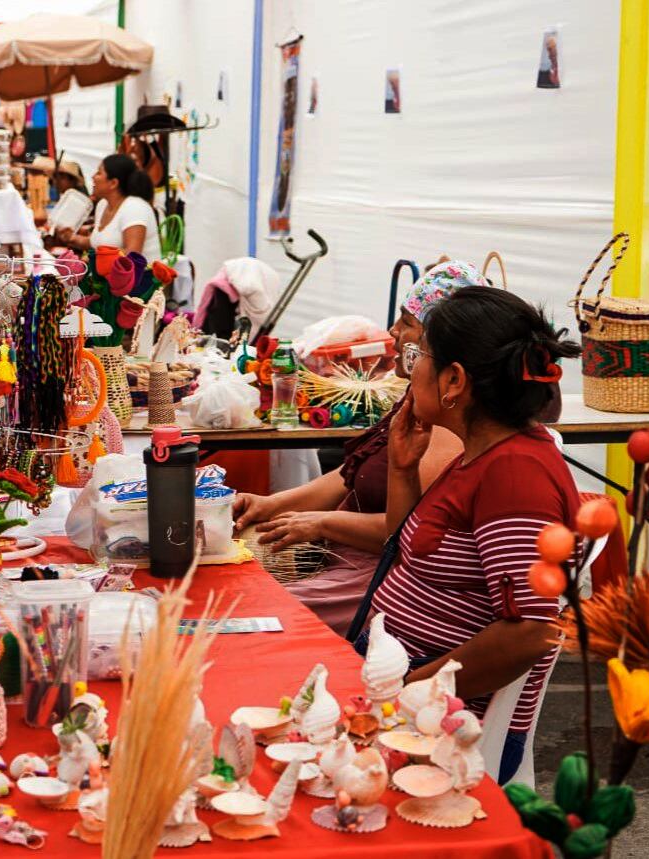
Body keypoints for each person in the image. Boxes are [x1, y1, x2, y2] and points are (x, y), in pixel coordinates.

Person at [366, 286, 582, 784]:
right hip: (410, 689)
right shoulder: (483, 453)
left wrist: (415, 690)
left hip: (453, 727)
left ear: (454, 380)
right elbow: (409, 556)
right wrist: (402, 469)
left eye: (420, 356)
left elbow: (531, 631)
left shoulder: (515, 474)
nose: (411, 370)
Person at [233, 264, 484, 633]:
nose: (393, 331)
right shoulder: (416, 400)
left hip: (379, 579)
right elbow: (350, 476)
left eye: (407, 322)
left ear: (440, 345)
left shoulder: (447, 421)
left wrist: (322, 523)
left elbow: (407, 535)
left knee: (247, 616)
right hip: (348, 562)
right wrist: (271, 504)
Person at [54, 153, 159, 260]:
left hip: (143, 271)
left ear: (113, 183)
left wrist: (96, 256)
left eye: (99, 173)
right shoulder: (102, 205)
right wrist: (71, 238)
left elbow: (133, 255)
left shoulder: (135, 208)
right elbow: (97, 244)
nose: (93, 177)